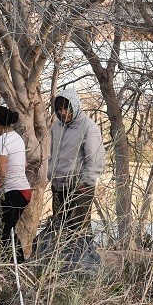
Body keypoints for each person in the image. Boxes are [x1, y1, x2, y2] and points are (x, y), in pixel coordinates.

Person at [48, 87, 105, 238]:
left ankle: (84, 261)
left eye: (67, 108)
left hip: (79, 188)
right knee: (60, 231)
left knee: (79, 232)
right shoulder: (56, 126)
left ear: (75, 106)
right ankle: (61, 262)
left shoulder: (88, 126)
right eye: (59, 109)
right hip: (58, 186)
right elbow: (50, 152)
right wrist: (50, 174)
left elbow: (95, 158)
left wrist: (86, 183)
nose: (63, 112)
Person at [0, 105, 32, 262]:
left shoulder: (0, 141)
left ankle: (16, 265)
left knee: (4, 232)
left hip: (12, 192)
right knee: (8, 231)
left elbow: (0, 172)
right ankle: (15, 265)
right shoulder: (16, 137)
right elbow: (24, 164)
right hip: (23, 190)